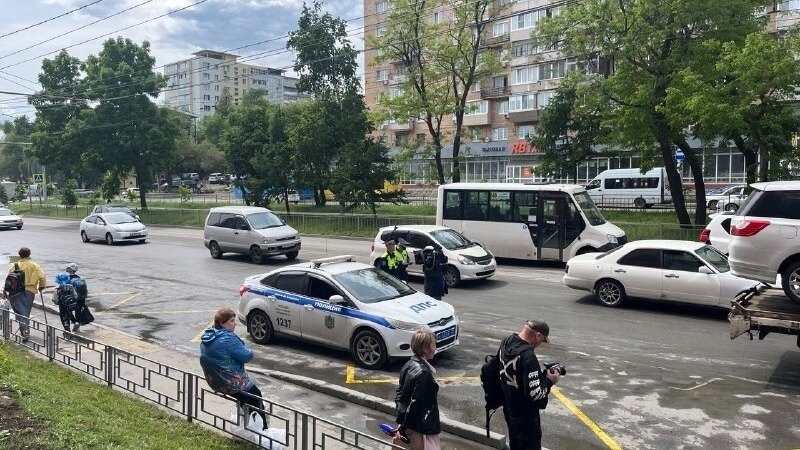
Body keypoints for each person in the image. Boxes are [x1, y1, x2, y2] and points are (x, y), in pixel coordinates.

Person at [199, 307, 268, 431]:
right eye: (231, 321)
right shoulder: (228, 338)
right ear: (222, 323)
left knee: (245, 398)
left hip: (215, 382)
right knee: (255, 395)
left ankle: (246, 425)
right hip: (232, 383)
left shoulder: (208, 335)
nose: (235, 323)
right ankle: (263, 432)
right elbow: (247, 355)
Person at [499, 319, 560, 450]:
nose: (540, 344)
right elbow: (535, 394)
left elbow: (514, 373)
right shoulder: (528, 357)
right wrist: (550, 381)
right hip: (526, 417)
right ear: (538, 335)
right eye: (542, 340)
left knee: (515, 444)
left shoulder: (507, 341)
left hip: (509, 408)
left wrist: (540, 376)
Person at [394, 329, 441, 450]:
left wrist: (402, 420)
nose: (435, 347)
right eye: (434, 344)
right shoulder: (424, 373)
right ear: (425, 349)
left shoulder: (408, 364)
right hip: (421, 429)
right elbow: (416, 404)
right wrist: (405, 428)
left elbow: (399, 394)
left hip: (408, 424)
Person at [3, 247, 45, 342]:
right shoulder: (34, 265)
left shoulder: (14, 265)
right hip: (29, 291)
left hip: (15, 292)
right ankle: (25, 330)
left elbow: (8, 279)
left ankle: (24, 331)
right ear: (29, 254)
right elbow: (42, 277)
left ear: (19, 255)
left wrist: (5, 291)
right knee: (25, 312)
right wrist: (41, 287)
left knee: (19, 312)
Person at [65, 263, 93, 330]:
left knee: (67, 310)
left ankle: (72, 323)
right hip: (80, 298)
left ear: (71, 270)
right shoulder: (78, 278)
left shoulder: (67, 278)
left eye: (68, 268)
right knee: (78, 311)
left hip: (72, 297)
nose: (66, 268)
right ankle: (78, 323)